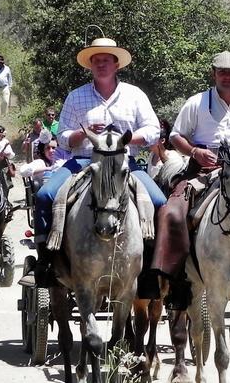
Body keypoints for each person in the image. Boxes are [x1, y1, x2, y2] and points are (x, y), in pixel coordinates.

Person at [20, 37, 165, 288]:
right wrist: (82, 132)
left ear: (116, 64)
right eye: (96, 61)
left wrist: (126, 138)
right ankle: (45, 263)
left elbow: (153, 130)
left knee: (158, 201)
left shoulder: (135, 95)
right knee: (44, 195)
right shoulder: (76, 97)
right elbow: (63, 137)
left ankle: (152, 269)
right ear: (90, 66)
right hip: (83, 161)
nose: (101, 65)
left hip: (123, 162)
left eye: (106, 60)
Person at [151, 50, 230, 309]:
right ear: (213, 74)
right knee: (172, 213)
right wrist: (195, 151)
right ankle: (176, 280)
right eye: (222, 72)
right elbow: (177, 136)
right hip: (203, 170)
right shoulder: (196, 102)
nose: (227, 77)